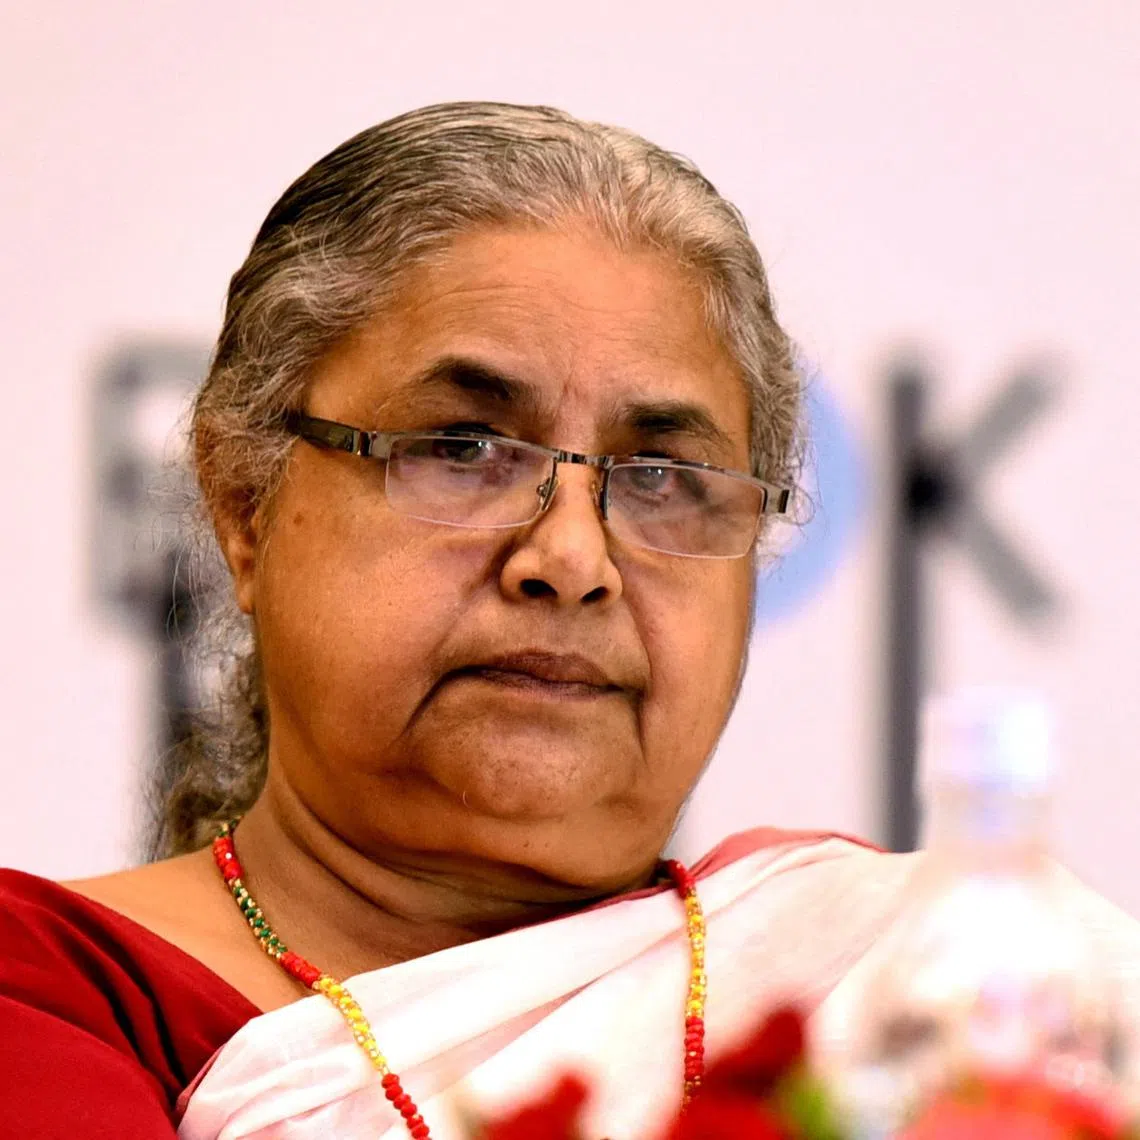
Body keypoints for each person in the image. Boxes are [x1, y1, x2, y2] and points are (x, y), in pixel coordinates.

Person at [1, 102, 1137, 1140]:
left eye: (660, 475)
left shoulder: (903, 981)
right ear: (247, 508)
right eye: (461, 448)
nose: (572, 559)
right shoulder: (53, 993)